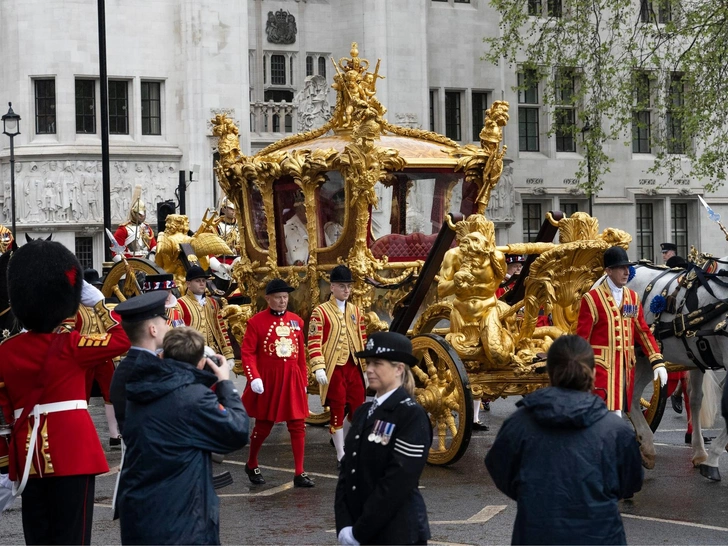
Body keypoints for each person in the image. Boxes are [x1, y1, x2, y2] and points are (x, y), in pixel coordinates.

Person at [0, 239, 131, 545]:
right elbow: (122, 339)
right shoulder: (71, 346)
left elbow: (4, 413)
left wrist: (6, 464)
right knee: (73, 537)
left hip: (28, 456)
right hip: (74, 453)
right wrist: (99, 302)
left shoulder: (6, 351)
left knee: (39, 537)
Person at [485, 335, 644, 545]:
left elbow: (501, 471)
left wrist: (533, 496)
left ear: (550, 373)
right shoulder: (616, 430)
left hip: (536, 534)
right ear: (594, 374)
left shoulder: (519, 423)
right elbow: (631, 482)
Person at [118, 326, 249, 545]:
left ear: (162, 355)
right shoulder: (196, 398)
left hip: (139, 510)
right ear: (200, 362)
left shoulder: (140, 386)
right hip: (183, 518)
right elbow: (237, 431)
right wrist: (225, 384)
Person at [335, 332, 431, 546]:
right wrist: (343, 526)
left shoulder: (411, 415)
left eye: (377, 363)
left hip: (396, 533)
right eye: (368, 363)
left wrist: (360, 531)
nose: (369, 369)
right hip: (359, 529)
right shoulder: (363, 411)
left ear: (398, 369)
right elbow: (346, 471)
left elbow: (397, 482)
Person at [576, 246, 667, 415]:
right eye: (621, 268)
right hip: (600, 372)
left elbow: (643, 332)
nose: (627, 272)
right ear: (608, 271)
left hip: (624, 371)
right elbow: (582, 339)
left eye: (627, 268)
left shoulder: (632, 297)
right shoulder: (592, 298)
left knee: (617, 417)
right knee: (603, 419)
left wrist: (657, 361)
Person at [241, 278, 313, 487]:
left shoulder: (296, 321)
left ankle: (300, 472)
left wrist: (303, 377)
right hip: (268, 379)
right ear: (268, 299)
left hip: (291, 378)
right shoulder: (256, 322)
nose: (283, 301)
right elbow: (248, 353)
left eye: (285, 297)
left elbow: (300, 353)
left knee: (298, 424)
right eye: (278, 297)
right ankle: (252, 461)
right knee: (264, 425)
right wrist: (253, 377)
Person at [308, 265, 367, 465]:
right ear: (332, 287)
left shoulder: (356, 311)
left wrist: (366, 367)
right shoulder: (320, 312)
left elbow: (362, 339)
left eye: (348, 286)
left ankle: (344, 442)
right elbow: (314, 342)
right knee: (337, 408)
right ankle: (341, 453)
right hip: (334, 368)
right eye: (342, 286)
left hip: (353, 365)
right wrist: (319, 366)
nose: (347, 290)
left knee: (358, 408)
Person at [110, 291, 171, 436]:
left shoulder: (126, 368)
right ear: (153, 330)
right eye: (165, 322)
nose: (168, 327)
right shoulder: (151, 369)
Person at [175, 265, 235, 368]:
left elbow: (221, 329)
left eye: (203, 280)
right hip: (191, 357)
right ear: (188, 284)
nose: (202, 283)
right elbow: (177, 333)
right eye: (198, 281)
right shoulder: (179, 304)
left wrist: (228, 355)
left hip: (213, 355)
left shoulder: (213, 303)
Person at [283, 192, 309, 265]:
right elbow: (298, 262)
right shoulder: (288, 228)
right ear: (300, 210)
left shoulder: (314, 223)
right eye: (307, 209)